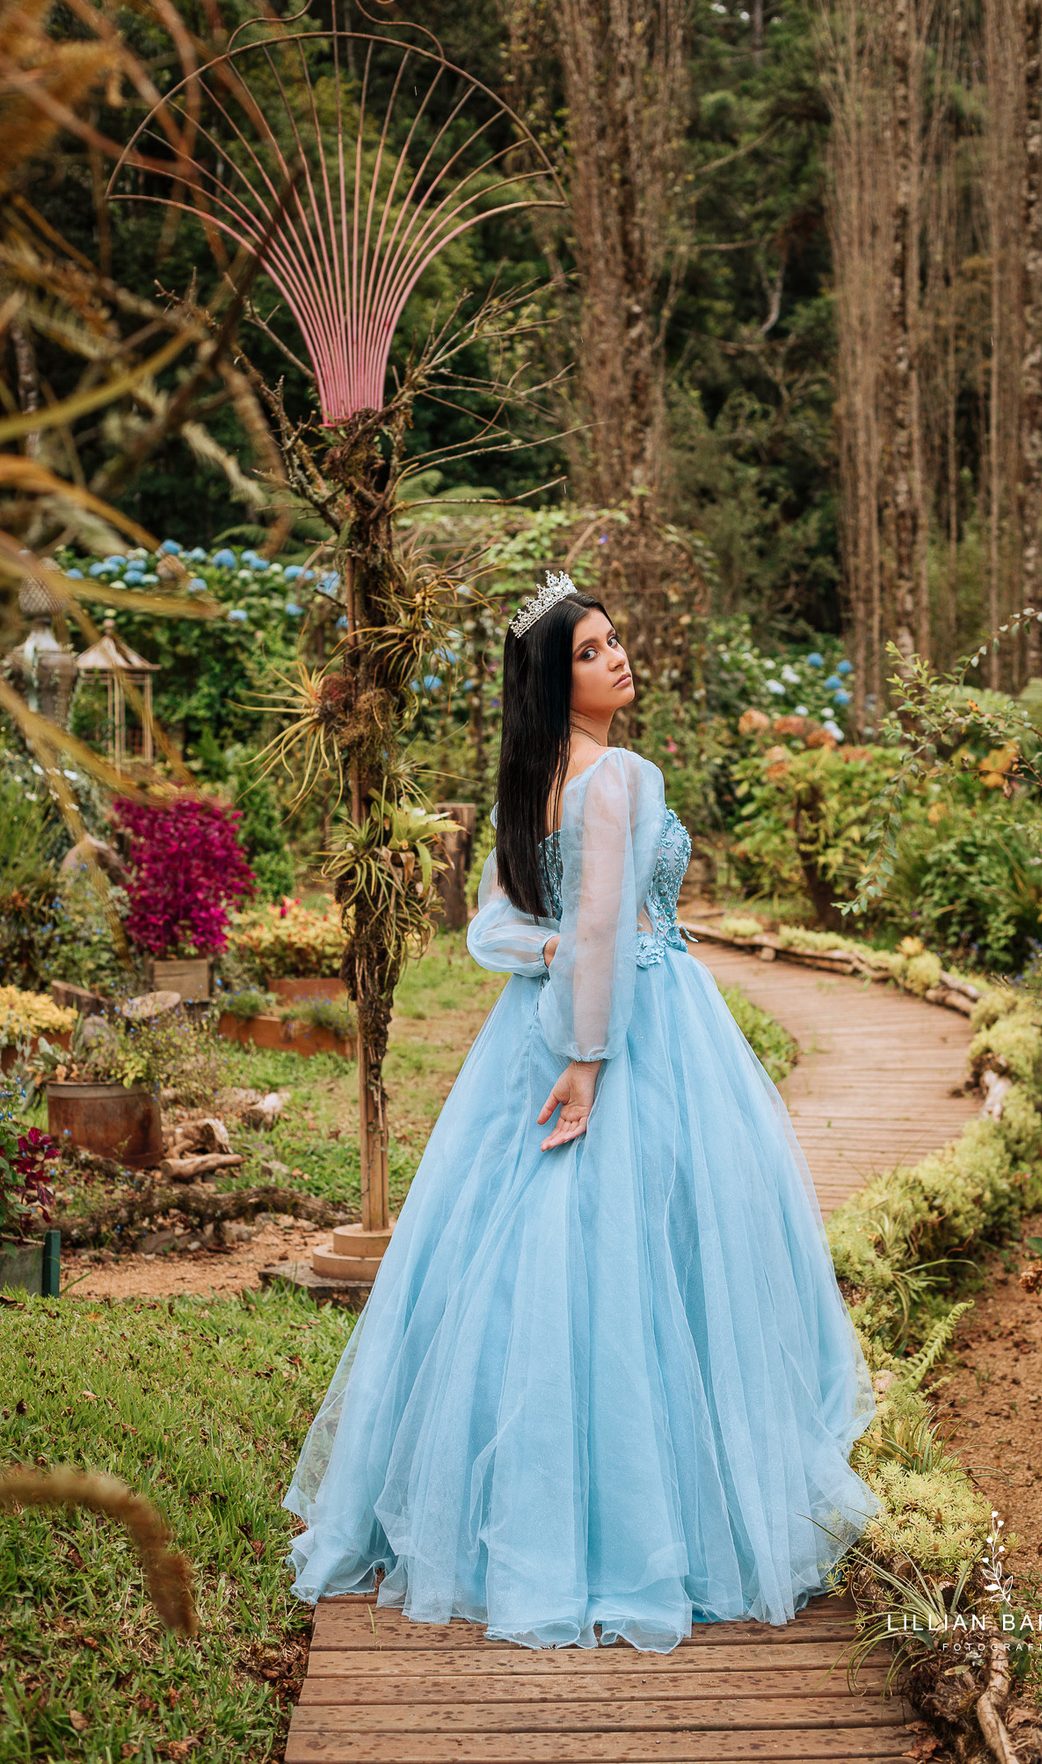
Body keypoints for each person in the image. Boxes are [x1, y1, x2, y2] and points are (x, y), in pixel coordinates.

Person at [284, 571, 883, 1654]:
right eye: (589, 649)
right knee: (649, 1260)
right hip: (632, 1037)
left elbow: (503, 933)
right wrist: (590, 1054)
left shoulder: (534, 784)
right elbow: (594, 924)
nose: (616, 657)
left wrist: (554, 963)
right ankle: (648, 1526)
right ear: (553, 684)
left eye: (614, 639)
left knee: (536, 1267)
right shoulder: (619, 777)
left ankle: (510, 1512)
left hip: (543, 1036)